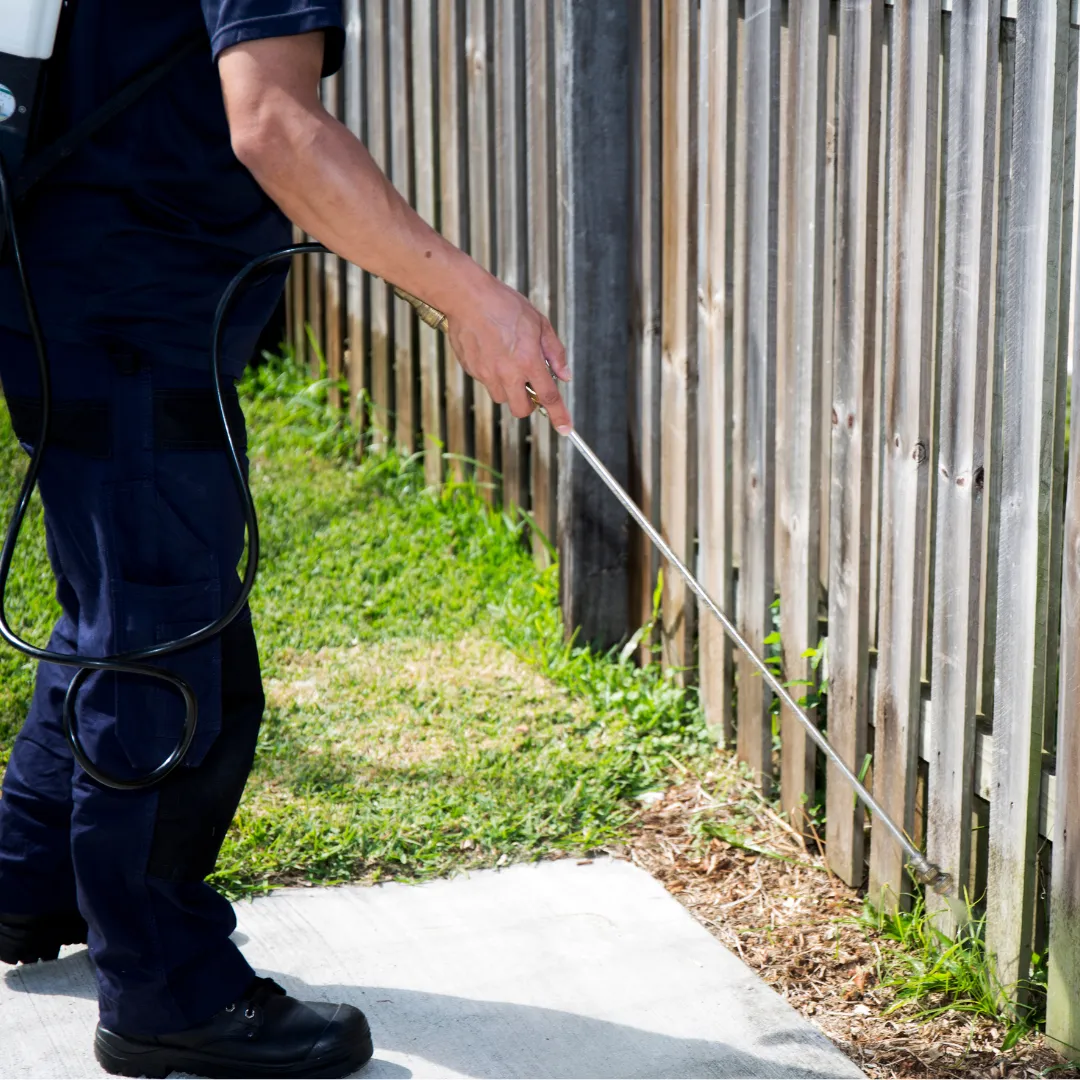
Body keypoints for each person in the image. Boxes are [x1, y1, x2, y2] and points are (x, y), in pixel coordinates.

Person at [0, 1, 572, 1077]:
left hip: (60, 280)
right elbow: (275, 124)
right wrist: (468, 297)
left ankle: (27, 881)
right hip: (126, 306)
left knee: (121, 604)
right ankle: (165, 995)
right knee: (170, 651)